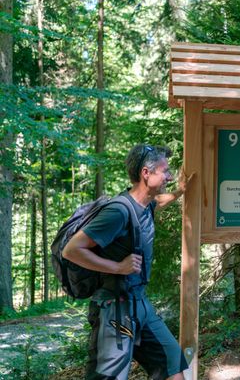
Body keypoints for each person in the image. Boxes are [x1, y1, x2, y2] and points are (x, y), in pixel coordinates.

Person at [63, 144, 192, 380]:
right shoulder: (118, 211)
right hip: (115, 311)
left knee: (172, 361)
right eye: (165, 171)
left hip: (140, 305)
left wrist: (179, 192)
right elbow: (72, 250)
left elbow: (159, 201)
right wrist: (117, 267)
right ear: (146, 173)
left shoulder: (145, 204)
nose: (170, 176)